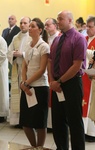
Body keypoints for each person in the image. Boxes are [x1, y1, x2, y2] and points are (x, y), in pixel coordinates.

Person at [49, 10, 87, 150]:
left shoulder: (78, 38)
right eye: (57, 18)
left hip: (71, 83)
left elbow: (77, 65)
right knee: (58, 121)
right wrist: (52, 81)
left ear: (70, 20)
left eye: (60, 19)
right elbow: (50, 61)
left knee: (74, 121)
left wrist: (59, 82)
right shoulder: (57, 39)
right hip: (57, 84)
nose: (57, 21)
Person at [19, 18, 50, 147]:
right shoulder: (28, 44)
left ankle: (40, 147)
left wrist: (27, 83)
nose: (29, 28)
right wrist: (24, 82)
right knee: (26, 123)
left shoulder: (44, 46)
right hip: (27, 86)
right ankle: (34, 147)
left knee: (39, 123)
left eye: (32, 26)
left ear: (40, 30)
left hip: (40, 87)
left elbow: (42, 69)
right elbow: (25, 65)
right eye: (29, 26)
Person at [7, 17, 31, 127]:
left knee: (26, 94)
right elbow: (9, 51)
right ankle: (17, 120)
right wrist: (13, 54)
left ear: (29, 24)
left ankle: (27, 120)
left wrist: (23, 54)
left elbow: (35, 53)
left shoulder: (32, 37)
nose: (22, 25)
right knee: (17, 94)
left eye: (25, 23)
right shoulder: (16, 37)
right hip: (17, 69)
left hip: (28, 70)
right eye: (21, 23)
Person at [82, 16, 95, 142]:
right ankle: (83, 130)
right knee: (82, 102)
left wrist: (83, 50)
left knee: (91, 103)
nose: (87, 29)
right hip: (83, 75)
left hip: (94, 77)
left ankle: (92, 132)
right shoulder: (85, 39)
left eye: (90, 27)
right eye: (87, 26)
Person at [1, 15, 20, 122]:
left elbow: (3, 54)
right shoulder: (5, 31)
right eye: (9, 18)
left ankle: (3, 113)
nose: (10, 20)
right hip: (10, 58)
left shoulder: (17, 31)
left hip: (8, 64)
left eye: (12, 18)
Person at [44, 18, 60, 130]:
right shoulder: (46, 39)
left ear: (55, 25)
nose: (46, 27)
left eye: (48, 25)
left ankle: (55, 124)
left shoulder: (59, 38)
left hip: (55, 71)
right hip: (46, 71)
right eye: (45, 25)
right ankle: (49, 124)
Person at [0, 36, 9, 123]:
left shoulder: (1, 40)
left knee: (1, 92)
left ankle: (1, 114)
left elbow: (2, 55)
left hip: (0, 70)